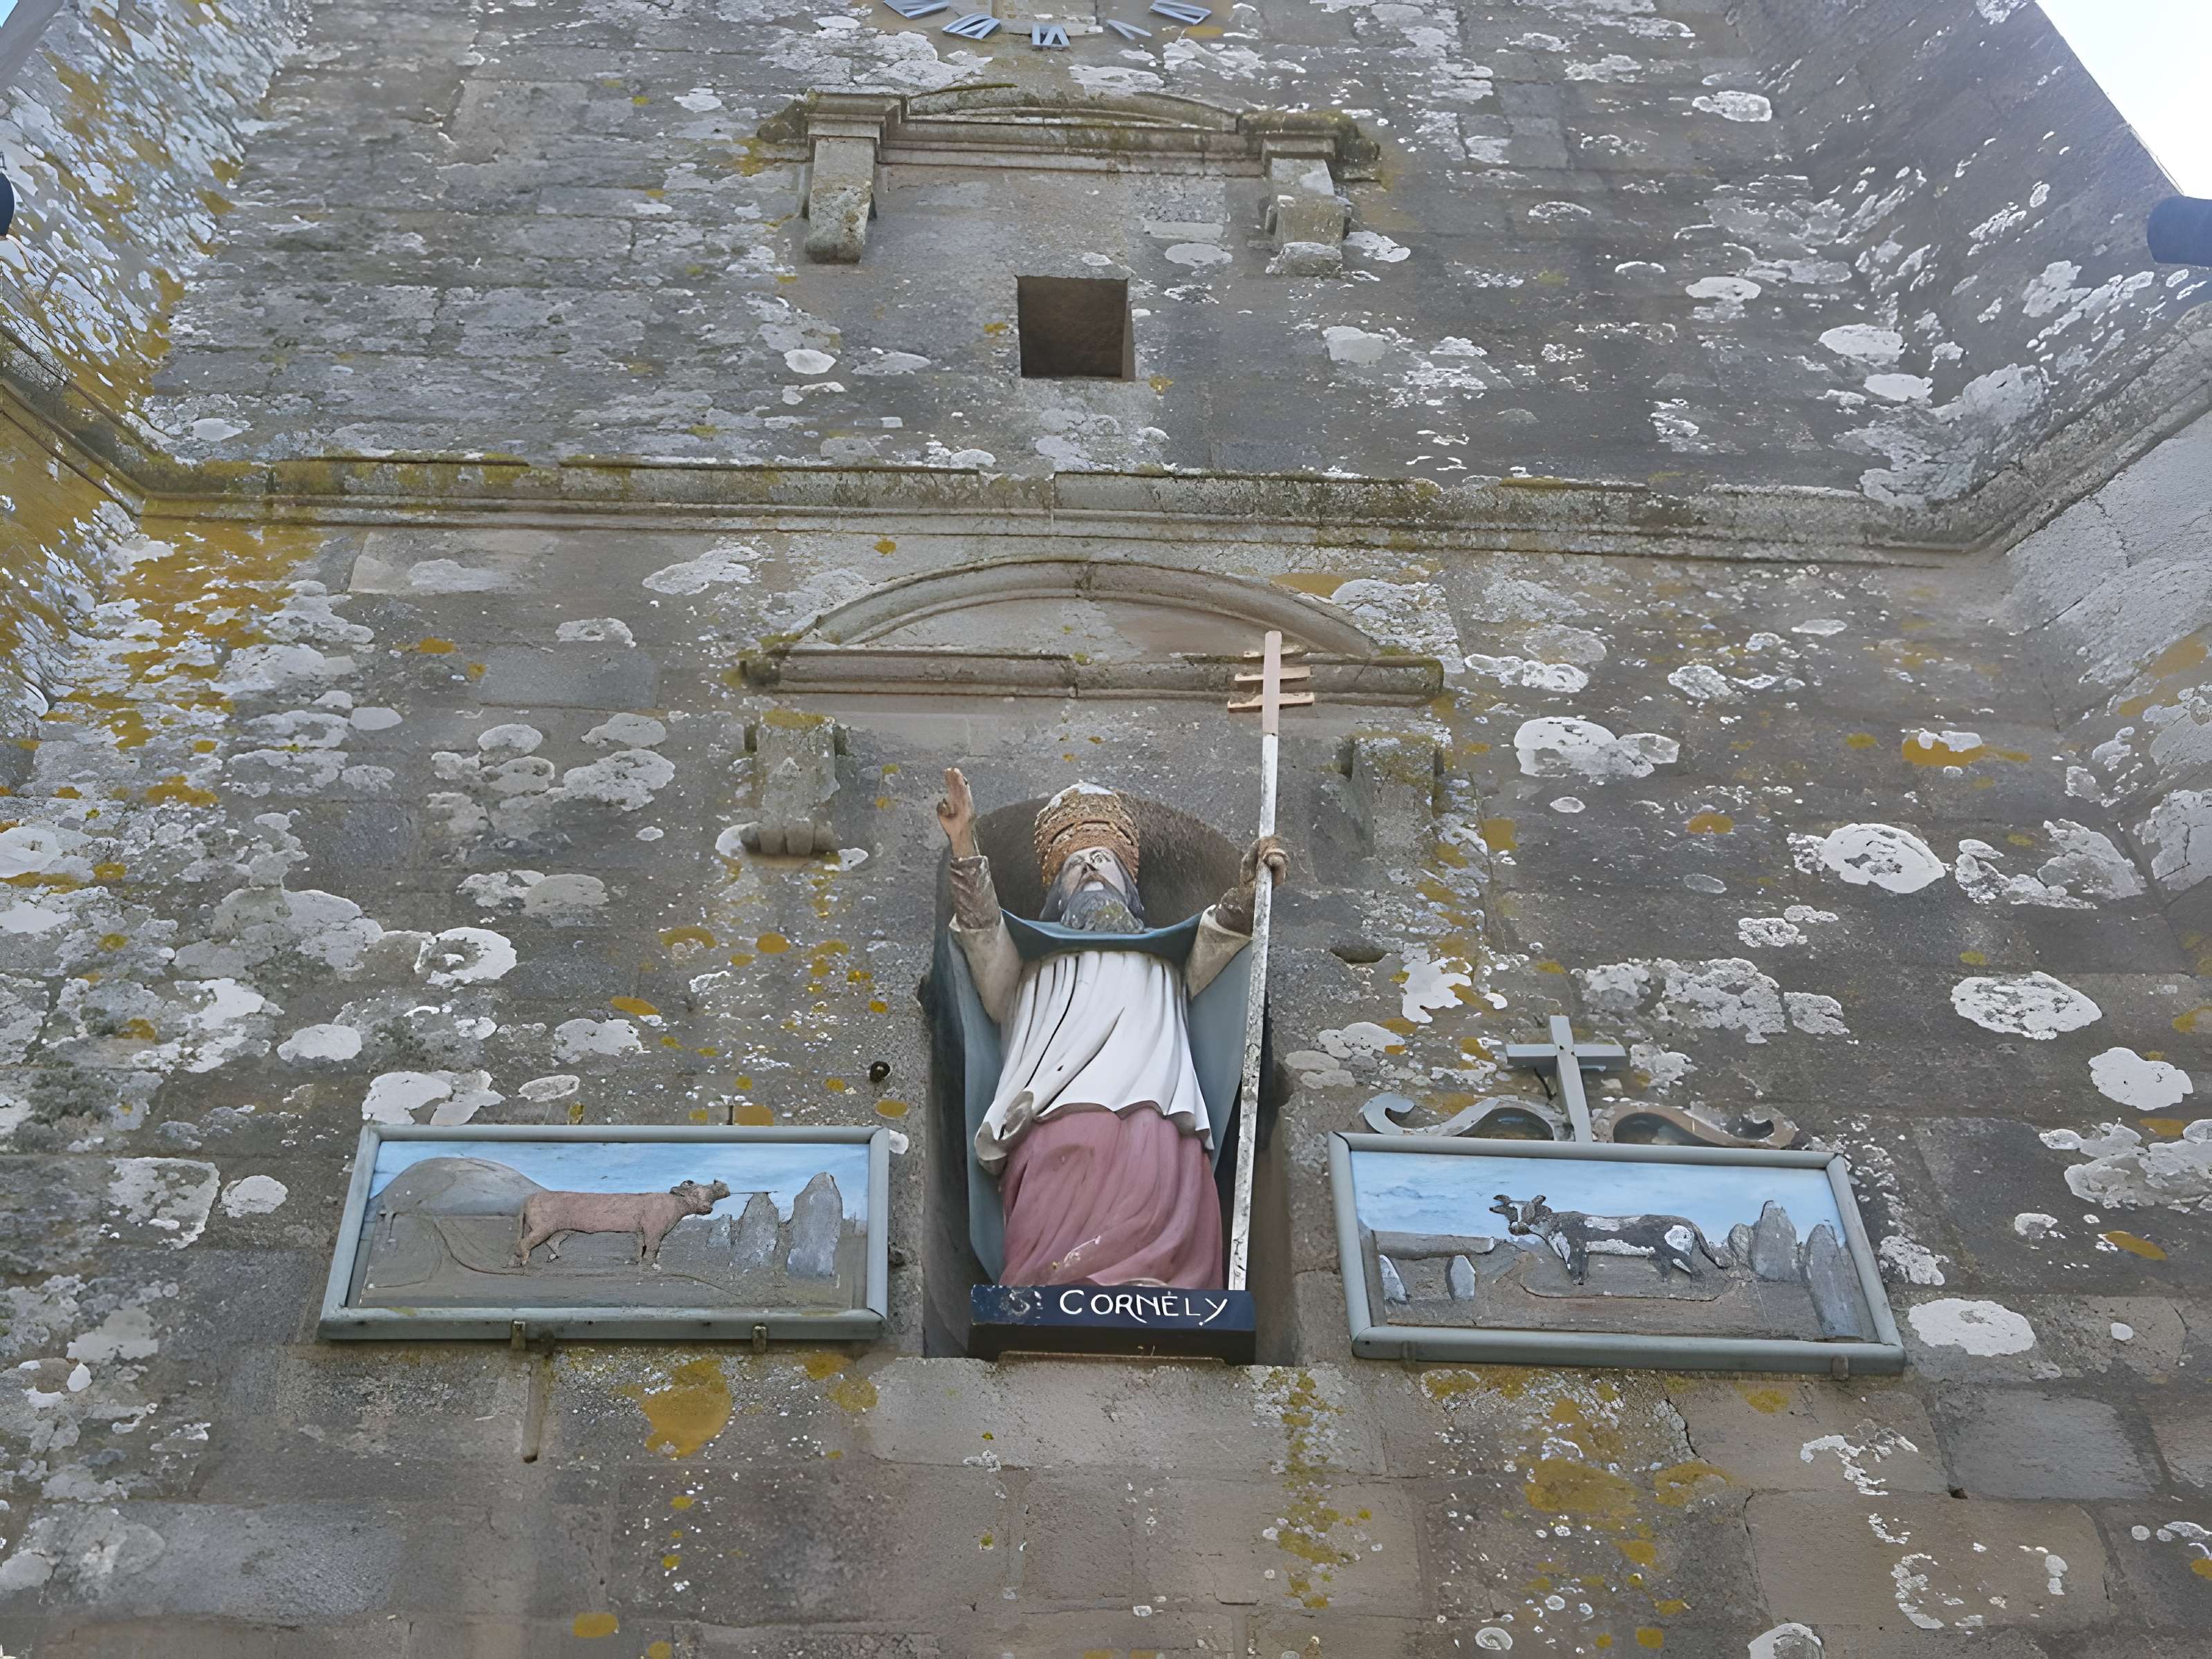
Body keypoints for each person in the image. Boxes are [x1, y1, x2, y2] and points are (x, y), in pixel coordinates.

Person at [938, 769, 1286, 1288]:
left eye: (1103, 862)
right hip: (1056, 1114)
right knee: (1058, 1210)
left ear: (1129, 884)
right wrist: (964, 844)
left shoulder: (1167, 960)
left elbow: (1223, 934)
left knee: (1159, 1187)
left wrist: (1251, 886)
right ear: (1056, 893)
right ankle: (1046, 1290)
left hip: (1157, 1111)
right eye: (1075, 867)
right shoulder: (1032, 964)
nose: (1090, 870)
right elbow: (983, 934)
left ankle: (1164, 1288)